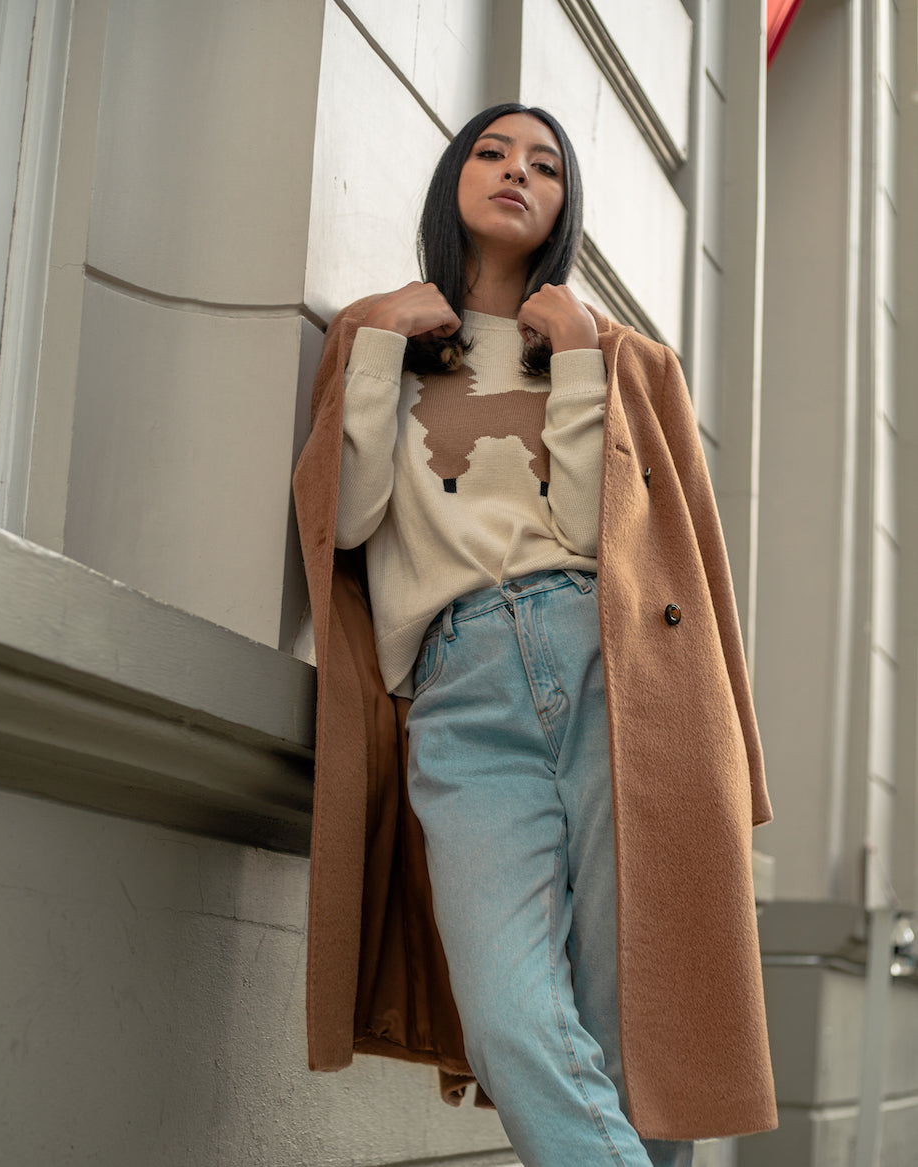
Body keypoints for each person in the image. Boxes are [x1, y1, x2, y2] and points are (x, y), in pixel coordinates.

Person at [292, 103, 777, 1167]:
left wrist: (584, 364)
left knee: (631, 1033)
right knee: (512, 1022)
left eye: (547, 164)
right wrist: (377, 344)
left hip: (615, 684)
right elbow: (352, 514)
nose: (519, 172)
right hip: (464, 700)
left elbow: (606, 536)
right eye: (494, 152)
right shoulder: (381, 339)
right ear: (454, 179)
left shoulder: (620, 359)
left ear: (564, 205)